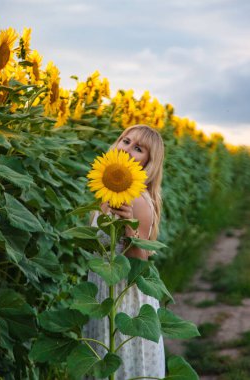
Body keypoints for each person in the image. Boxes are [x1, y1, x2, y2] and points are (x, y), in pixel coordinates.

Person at [85, 124, 165, 379]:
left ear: (148, 163)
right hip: (102, 293)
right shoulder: (106, 188)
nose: (128, 149)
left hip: (125, 298)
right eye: (126, 141)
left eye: (138, 148)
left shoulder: (139, 198)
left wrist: (129, 225)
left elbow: (139, 263)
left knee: (125, 367)